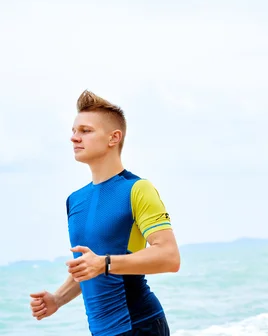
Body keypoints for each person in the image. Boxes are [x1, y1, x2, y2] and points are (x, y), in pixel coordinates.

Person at [29, 90, 180, 336]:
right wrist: (58, 298)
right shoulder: (75, 200)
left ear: (114, 138)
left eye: (85, 131)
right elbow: (90, 267)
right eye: (74, 131)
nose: (74, 138)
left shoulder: (137, 189)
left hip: (139, 325)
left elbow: (170, 257)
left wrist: (105, 263)